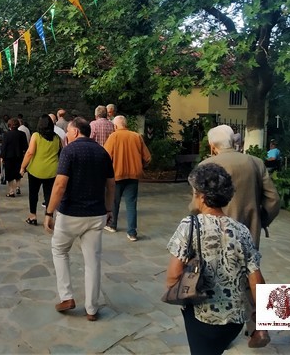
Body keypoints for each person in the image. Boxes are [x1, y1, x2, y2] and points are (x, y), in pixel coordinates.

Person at [166, 163, 268, 354]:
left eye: (194, 192)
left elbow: (173, 277)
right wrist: (262, 322)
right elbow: (257, 282)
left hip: (202, 317)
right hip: (235, 319)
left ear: (202, 197)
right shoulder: (241, 230)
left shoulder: (189, 225)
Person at [43, 117, 115, 322]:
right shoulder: (102, 152)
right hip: (96, 214)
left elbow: (60, 185)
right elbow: (111, 184)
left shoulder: (69, 151)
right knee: (93, 261)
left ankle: (66, 296)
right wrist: (108, 209)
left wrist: (49, 212)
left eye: (68, 131)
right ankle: (92, 308)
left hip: (70, 214)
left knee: (59, 250)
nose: (66, 134)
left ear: (75, 131)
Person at [197, 125, 280, 249]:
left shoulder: (205, 166)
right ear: (232, 141)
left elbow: (197, 203)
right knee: (248, 260)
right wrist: (259, 220)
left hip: (213, 233)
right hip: (248, 231)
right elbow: (273, 199)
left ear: (212, 146)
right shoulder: (256, 163)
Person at [103, 115, 151, 241]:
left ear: (115, 126)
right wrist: (140, 165)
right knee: (131, 204)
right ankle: (132, 232)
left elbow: (105, 157)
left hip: (117, 175)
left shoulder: (113, 137)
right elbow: (147, 158)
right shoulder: (136, 136)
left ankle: (112, 225)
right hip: (133, 175)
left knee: (114, 202)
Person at [20, 115, 63, 225]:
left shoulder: (36, 136)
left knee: (33, 193)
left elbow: (30, 153)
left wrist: (23, 167)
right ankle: (48, 216)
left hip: (36, 169)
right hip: (52, 171)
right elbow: (61, 152)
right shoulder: (57, 138)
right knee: (49, 194)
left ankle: (33, 216)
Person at [0, 118, 28, 197]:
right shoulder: (22, 134)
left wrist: (2, 157)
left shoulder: (6, 134)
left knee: (10, 174)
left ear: (9, 125)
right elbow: (25, 146)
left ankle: (11, 191)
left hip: (9, 157)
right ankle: (18, 186)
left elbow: (4, 147)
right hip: (19, 156)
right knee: (18, 172)